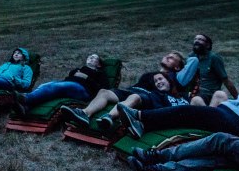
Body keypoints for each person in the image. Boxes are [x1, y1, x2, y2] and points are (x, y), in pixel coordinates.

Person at [109, 73, 239, 140]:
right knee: (188, 116)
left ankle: (139, 116)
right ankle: (143, 125)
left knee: (187, 112)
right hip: (227, 113)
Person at [60, 52, 188, 128]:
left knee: (134, 97)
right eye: (168, 55)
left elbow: (191, 65)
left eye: (171, 58)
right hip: (131, 90)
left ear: (177, 67)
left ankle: (109, 117)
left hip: (147, 97)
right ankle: (85, 113)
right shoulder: (152, 73)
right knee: (104, 92)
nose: (167, 57)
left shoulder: (174, 78)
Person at [14, 53, 109, 114]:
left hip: (84, 91)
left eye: (94, 57)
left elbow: (104, 89)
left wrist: (87, 78)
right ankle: (27, 107)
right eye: (89, 57)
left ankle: (27, 98)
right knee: (46, 85)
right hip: (70, 86)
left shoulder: (100, 73)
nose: (90, 58)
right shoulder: (79, 69)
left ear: (99, 64)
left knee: (57, 86)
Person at [179, 33, 239, 106]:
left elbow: (225, 80)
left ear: (208, 45)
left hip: (208, 93)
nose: (197, 41)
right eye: (195, 39)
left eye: (200, 39)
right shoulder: (191, 57)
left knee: (197, 100)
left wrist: (238, 99)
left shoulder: (214, 58)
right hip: (190, 92)